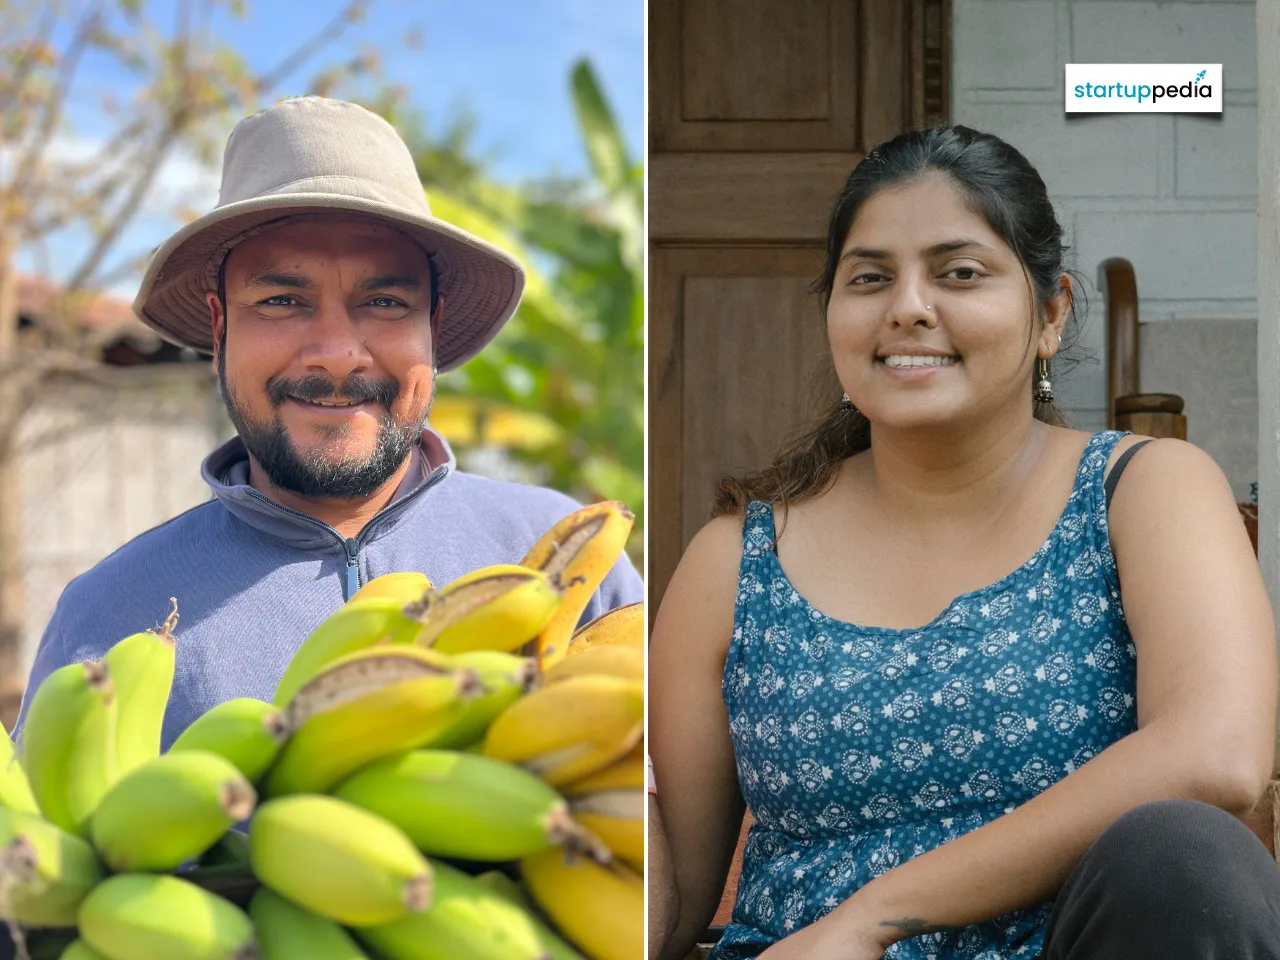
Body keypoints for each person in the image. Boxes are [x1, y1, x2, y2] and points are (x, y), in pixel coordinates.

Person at [648, 125, 1280, 960]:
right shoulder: (736, 560)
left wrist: (873, 918)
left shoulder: (1143, 491)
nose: (908, 305)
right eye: (870, 278)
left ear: (1050, 313)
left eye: (959, 273)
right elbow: (681, 895)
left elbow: (1219, 754)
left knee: (1189, 861)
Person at [16, 96, 643, 744]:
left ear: (433, 327)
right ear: (220, 326)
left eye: (384, 301)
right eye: (283, 300)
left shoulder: (563, 560)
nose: (339, 354)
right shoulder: (109, 618)